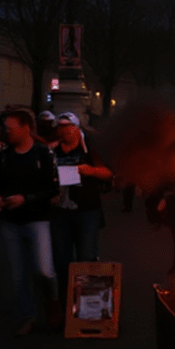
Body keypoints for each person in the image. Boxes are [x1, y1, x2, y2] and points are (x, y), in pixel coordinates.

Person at [0, 109, 61, 336]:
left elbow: (52, 189)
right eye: (5, 128)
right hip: (10, 221)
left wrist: (25, 199)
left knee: (44, 269)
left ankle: (52, 302)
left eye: (10, 128)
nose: (6, 132)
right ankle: (29, 316)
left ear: (26, 127)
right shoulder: (4, 155)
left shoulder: (43, 154)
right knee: (19, 273)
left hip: (37, 219)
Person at [51, 112, 113, 290]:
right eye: (60, 128)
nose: (64, 132)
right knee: (61, 261)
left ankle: (86, 304)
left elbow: (108, 174)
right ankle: (66, 302)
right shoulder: (52, 151)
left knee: (86, 257)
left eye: (68, 128)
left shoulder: (90, 150)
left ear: (77, 130)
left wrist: (91, 171)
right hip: (60, 213)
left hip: (87, 211)